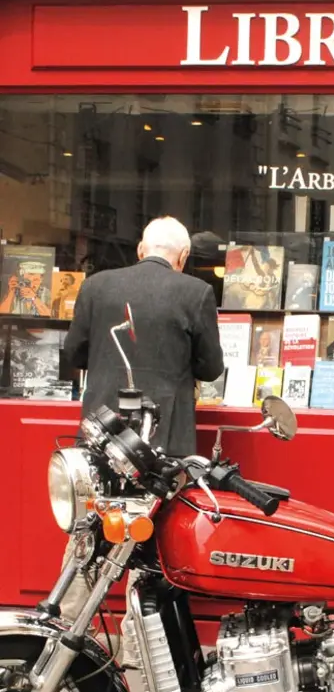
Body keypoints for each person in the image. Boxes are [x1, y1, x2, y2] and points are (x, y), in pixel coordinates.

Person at [60, 216, 225, 665]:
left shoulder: (98, 286)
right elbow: (211, 367)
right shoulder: (196, 292)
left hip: (102, 435)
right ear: (184, 257)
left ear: (139, 249)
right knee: (149, 543)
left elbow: (73, 354)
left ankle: (66, 637)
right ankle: (138, 651)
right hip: (163, 441)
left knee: (87, 535)